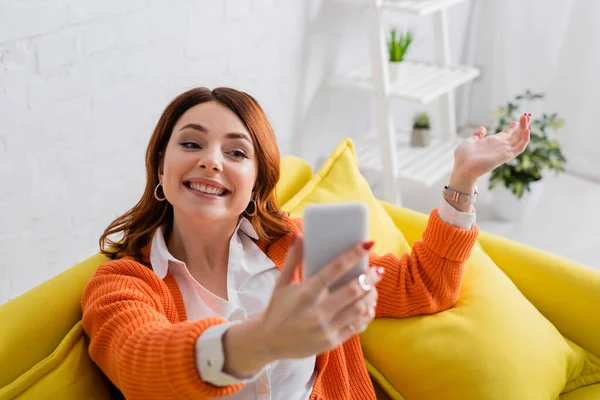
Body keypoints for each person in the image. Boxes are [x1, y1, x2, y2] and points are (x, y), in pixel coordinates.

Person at [81, 87, 531, 399]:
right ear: (161, 167)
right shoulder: (121, 284)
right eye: (191, 143)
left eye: (237, 152)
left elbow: (422, 285)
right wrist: (262, 339)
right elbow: (140, 365)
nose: (211, 161)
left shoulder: (298, 245)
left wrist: (464, 178)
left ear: (256, 182)